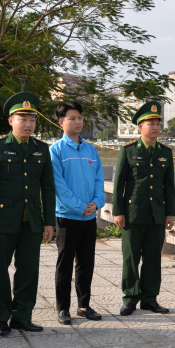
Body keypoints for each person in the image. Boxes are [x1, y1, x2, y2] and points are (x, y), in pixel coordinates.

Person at [0, 91, 56, 336]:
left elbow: (48, 188)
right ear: (11, 121)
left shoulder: (42, 149)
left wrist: (49, 222)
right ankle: (1, 317)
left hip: (32, 221)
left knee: (28, 270)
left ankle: (22, 316)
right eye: (22, 119)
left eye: (32, 120)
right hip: (3, 222)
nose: (28, 124)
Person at [112, 101, 175, 315]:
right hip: (132, 214)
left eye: (158, 123)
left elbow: (168, 186)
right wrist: (117, 211)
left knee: (153, 257)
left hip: (156, 215)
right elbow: (119, 183)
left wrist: (169, 213)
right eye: (151, 123)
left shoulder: (165, 152)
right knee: (131, 258)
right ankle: (130, 298)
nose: (156, 127)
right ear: (140, 126)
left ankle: (149, 299)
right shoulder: (128, 151)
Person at [49, 101, 105, 325]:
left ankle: (84, 305)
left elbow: (99, 178)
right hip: (67, 217)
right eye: (72, 118)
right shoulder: (56, 150)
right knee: (65, 263)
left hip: (89, 218)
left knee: (86, 263)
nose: (78, 121)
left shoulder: (91, 149)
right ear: (62, 122)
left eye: (80, 117)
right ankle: (63, 308)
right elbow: (59, 186)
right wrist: (80, 207)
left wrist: (96, 202)